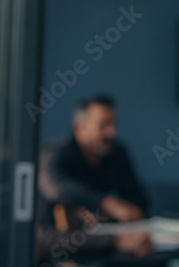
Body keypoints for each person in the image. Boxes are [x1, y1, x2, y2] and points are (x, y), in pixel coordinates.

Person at [39, 95, 150, 225]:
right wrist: (105, 203)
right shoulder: (55, 153)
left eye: (114, 124)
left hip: (102, 237)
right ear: (80, 128)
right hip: (58, 239)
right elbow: (56, 188)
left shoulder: (116, 154)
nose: (112, 132)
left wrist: (109, 213)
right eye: (103, 125)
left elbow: (138, 200)